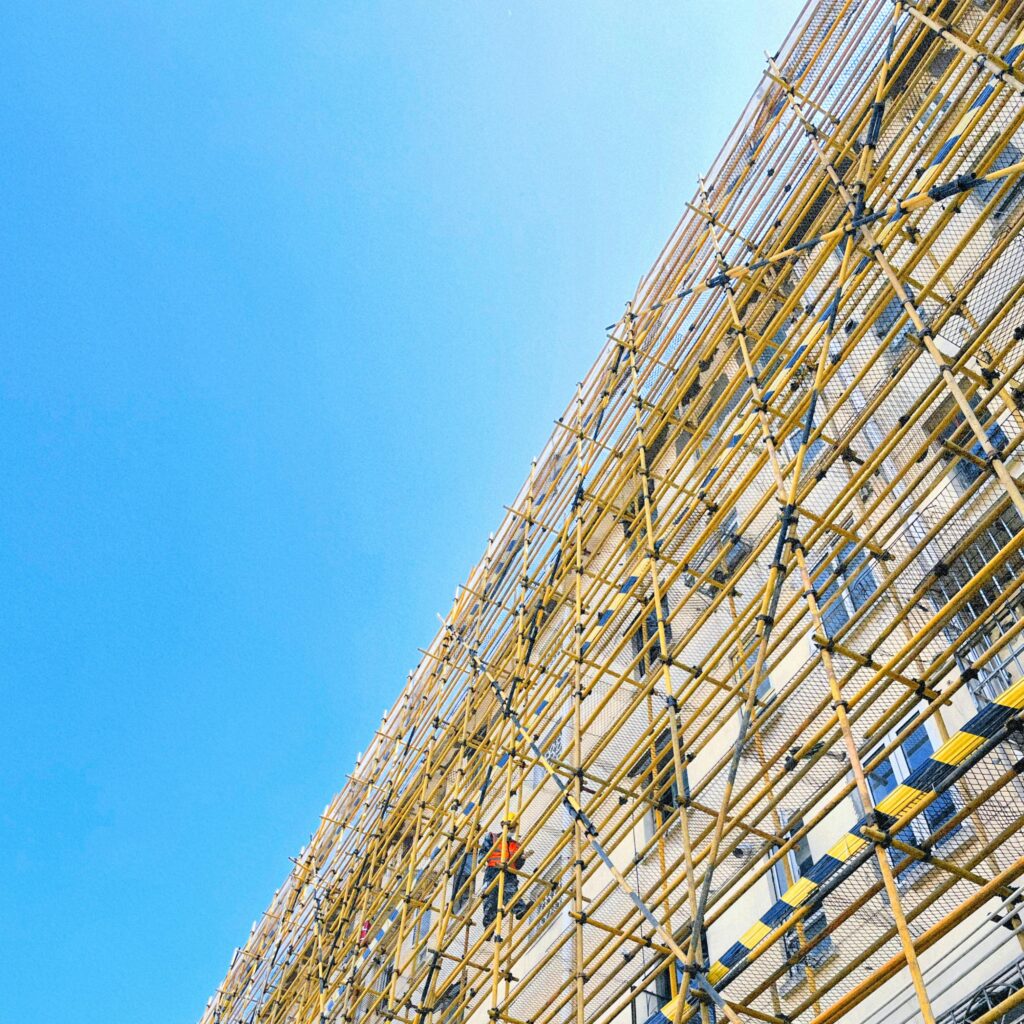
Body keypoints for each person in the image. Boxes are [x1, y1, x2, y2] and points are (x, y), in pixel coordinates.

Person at [480, 816, 530, 927]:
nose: (512, 831)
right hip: (493, 870)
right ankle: (489, 924)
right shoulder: (492, 837)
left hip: (509, 873)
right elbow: (483, 853)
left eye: (513, 828)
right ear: (503, 826)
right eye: (510, 828)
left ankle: (519, 910)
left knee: (511, 893)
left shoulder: (516, 845)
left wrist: (522, 858)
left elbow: (517, 866)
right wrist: (482, 862)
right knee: (491, 898)